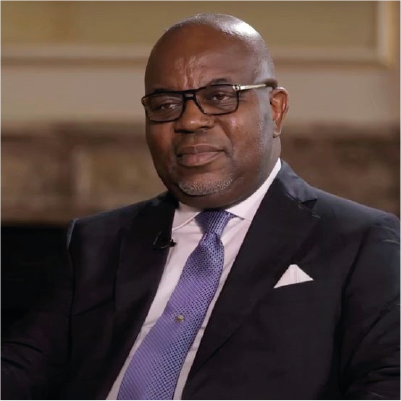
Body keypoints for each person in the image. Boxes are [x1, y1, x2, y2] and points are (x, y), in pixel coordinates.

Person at [2, 13, 399, 400]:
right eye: (165, 105)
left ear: (275, 109)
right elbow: (20, 368)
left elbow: (388, 383)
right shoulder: (96, 242)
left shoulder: (361, 242)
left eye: (220, 97)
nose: (190, 121)